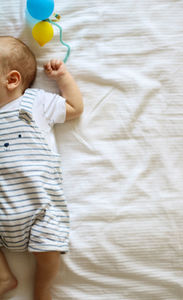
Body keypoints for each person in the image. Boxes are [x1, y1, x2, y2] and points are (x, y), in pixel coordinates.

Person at [0, 36, 83, 300]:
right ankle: (4, 277)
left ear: (12, 80)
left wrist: (63, 78)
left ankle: (42, 288)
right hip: (3, 208)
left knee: (48, 253)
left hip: (40, 207)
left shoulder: (34, 103)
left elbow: (74, 107)